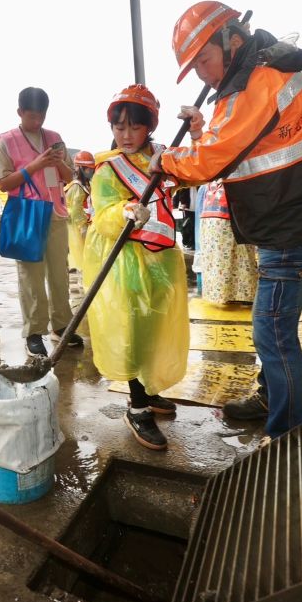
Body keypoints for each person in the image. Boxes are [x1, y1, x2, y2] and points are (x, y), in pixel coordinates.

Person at [152, 1, 302, 441]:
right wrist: (202, 131)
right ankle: (271, 398)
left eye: (204, 58)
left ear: (233, 41)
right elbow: (238, 144)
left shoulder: (258, 81)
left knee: (273, 334)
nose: (202, 72)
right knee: (274, 326)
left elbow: (210, 160)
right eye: (194, 64)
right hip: (296, 215)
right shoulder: (257, 74)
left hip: (293, 225)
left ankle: (289, 437)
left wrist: (166, 161)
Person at [86, 84, 187, 451]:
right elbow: (101, 216)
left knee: (156, 329)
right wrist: (124, 212)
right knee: (131, 331)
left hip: (162, 260)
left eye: (134, 127)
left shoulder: (165, 156)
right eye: (119, 127)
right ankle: (137, 405)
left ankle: (149, 390)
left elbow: (197, 171)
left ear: (150, 127)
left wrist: (198, 130)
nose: (126, 135)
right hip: (128, 264)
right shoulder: (108, 168)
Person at [0, 87, 82, 357]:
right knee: (31, 277)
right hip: (27, 215)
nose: (37, 121)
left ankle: (61, 325)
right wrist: (35, 164)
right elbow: (3, 183)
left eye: (41, 116)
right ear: (20, 112)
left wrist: (57, 162)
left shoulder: (54, 138)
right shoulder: (6, 141)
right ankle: (34, 332)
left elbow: (70, 177)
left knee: (59, 273)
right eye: (32, 116)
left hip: (55, 213)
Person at [193, 182, 258, 304]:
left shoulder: (206, 186)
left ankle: (220, 294)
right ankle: (242, 294)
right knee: (239, 255)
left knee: (216, 257)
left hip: (212, 214)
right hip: (228, 212)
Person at [64, 150, 95, 274]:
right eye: (88, 169)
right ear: (80, 169)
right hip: (77, 226)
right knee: (80, 257)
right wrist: (83, 227)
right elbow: (76, 209)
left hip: (78, 224)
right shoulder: (77, 186)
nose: (91, 171)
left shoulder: (85, 184)